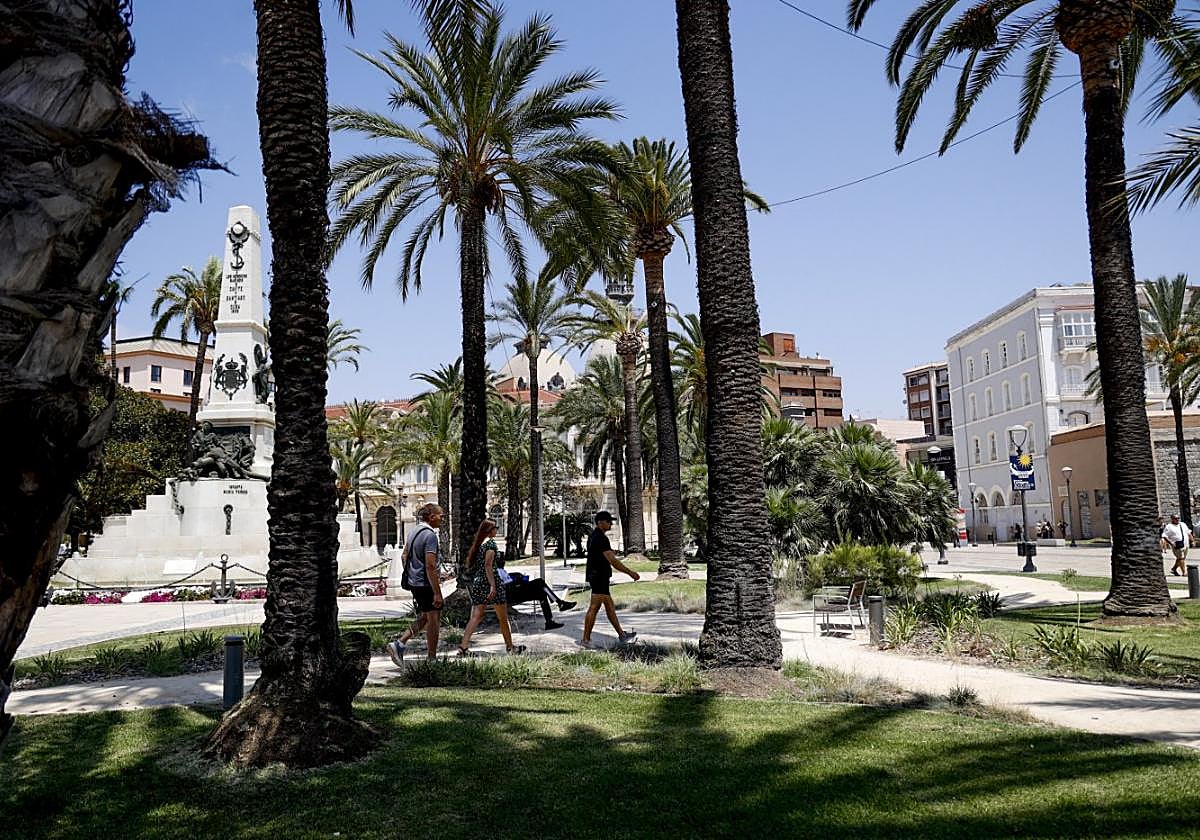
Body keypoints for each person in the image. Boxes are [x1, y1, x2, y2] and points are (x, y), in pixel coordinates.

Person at [387, 504, 445, 664]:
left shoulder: (413, 532)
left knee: (426, 616)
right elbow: (430, 565)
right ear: (431, 516)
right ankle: (432, 658)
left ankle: (399, 643)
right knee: (434, 619)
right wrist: (437, 592)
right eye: (441, 515)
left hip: (415, 582)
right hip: (426, 583)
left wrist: (413, 572)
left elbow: (404, 555)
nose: (443, 518)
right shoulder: (430, 536)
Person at [457, 519, 526, 656]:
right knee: (503, 617)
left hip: (478, 582)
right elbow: (488, 565)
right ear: (490, 530)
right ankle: (510, 647)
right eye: (496, 527)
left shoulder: (479, 545)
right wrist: (493, 585)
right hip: (490, 583)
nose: (497, 529)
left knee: (477, 615)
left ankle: (463, 646)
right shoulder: (491, 544)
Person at [578, 510, 640, 649]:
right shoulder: (600, 538)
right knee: (594, 607)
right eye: (608, 521)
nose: (611, 523)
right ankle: (585, 640)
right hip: (598, 577)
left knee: (609, 606)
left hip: (600, 576)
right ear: (600, 522)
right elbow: (613, 560)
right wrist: (630, 573)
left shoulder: (595, 536)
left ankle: (622, 635)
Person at [496, 556, 576, 630]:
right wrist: (517, 582)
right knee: (539, 582)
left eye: (504, 560)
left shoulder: (502, 570)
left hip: (516, 590)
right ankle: (560, 603)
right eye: (501, 560)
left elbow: (508, 580)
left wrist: (518, 578)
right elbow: (502, 586)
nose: (504, 561)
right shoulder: (497, 571)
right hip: (512, 594)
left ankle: (549, 622)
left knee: (541, 593)